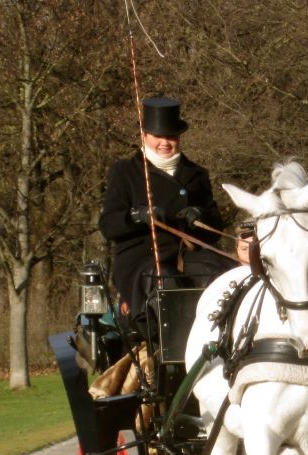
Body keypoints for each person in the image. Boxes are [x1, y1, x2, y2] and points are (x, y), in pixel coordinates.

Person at [98, 97, 233, 338]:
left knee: (223, 276)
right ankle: (175, 347)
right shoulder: (126, 172)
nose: (165, 142)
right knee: (165, 282)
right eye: (158, 136)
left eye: (171, 137)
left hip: (188, 253)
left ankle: (224, 341)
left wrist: (199, 215)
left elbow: (215, 223)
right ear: (145, 136)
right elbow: (108, 225)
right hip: (143, 257)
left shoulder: (196, 174)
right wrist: (138, 216)